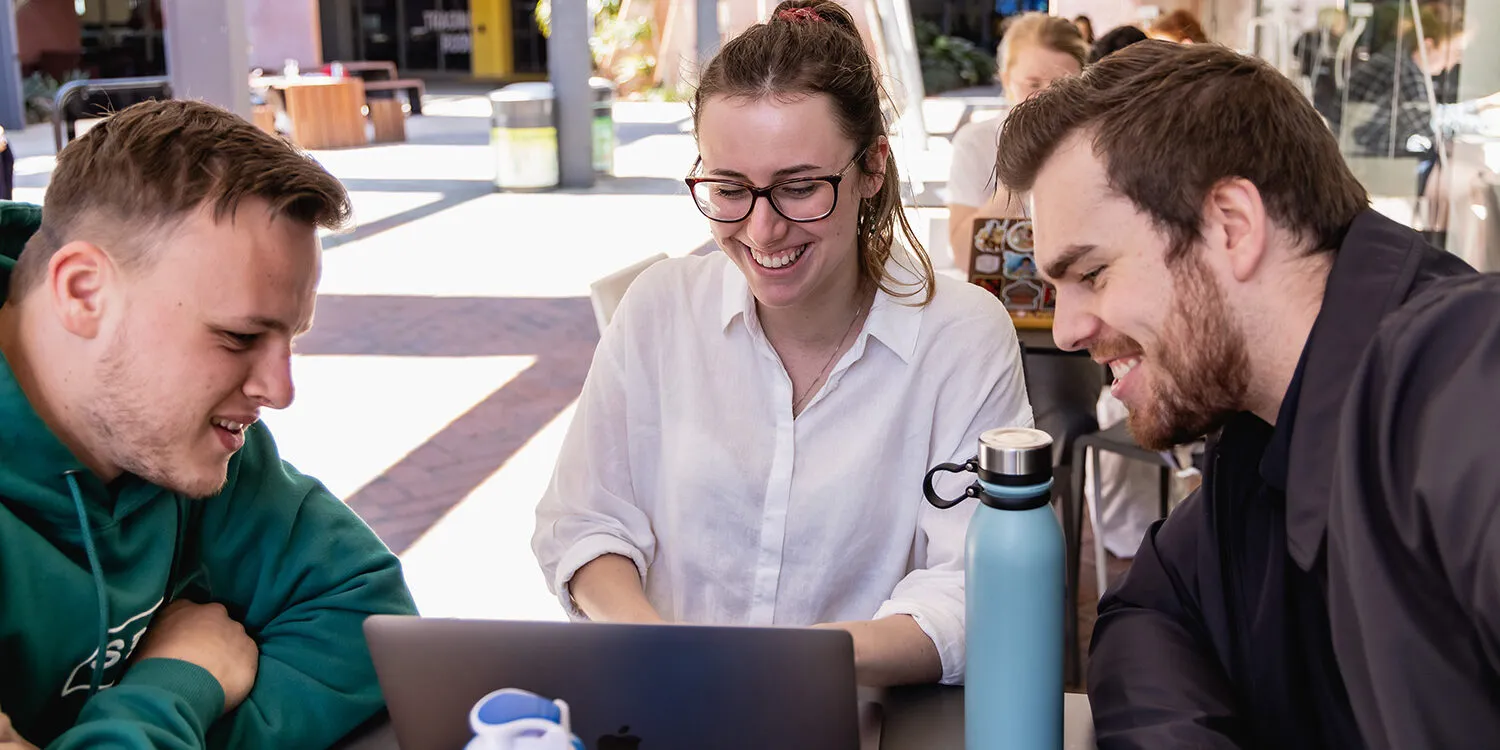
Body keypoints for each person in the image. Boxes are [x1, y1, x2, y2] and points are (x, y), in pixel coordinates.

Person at [997, 40, 1500, 748]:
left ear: (1232, 225)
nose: (1071, 329)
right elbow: (1148, 612)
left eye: (1094, 273)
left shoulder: (1460, 374)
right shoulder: (1261, 437)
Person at [533, 0, 1032, 689]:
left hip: (857, 718)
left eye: (800, 188)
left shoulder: (962, 338)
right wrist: (662, 653)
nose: (763, 231)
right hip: (667, 704)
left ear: (873, 169)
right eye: (729, 188)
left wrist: (785, 669)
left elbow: (977, 591)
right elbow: (583, 521)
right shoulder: (659, 310)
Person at [0, 100, 417, 749]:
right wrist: (179, 682)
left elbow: (366, 617)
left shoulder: (171, 435)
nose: (279, 392)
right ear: (84, 292)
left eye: (290, 340)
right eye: (238, 335)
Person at [946, 12, 1087, 270]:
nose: (1045, 97)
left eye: (1063, 86)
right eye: (1032, 84)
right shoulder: (977, 143)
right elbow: (964, 256)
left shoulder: (1093, 145)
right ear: (1006, 80)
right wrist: (1017, 174)